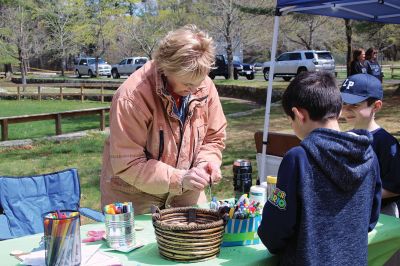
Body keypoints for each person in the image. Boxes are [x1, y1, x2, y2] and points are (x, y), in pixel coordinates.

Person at [100, 25, 227, 214]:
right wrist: (179, 178)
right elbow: (128, 162)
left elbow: (213, 137)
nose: (194, 90)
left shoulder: (204, 85)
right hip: (136, 199)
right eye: (187, 84)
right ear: (166, 68)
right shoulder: (132, 97)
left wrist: (206, 165)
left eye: (199, 82)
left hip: (187, 193)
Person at [257, 72, 382, 265]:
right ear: (339, 110)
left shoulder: (298, 158)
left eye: (290, 120)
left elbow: (275, 230)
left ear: (299, 115)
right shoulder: (368, 155)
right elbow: (371, 219)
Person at [341, 73, 400, 217]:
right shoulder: (345, 137)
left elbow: (395, 187)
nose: (346, 109)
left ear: (376, 106)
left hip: (380, 216)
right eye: (343, 103)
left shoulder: (387, 143)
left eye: (355, 105)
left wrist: (359, 195)